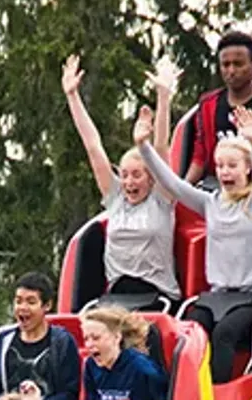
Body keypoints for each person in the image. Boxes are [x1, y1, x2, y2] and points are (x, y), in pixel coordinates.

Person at [138, 104, 252, 384]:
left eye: (232, 166)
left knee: (224, 333)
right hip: (218, 295)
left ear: (247, 168)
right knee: (188, 329)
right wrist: (143, 146)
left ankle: (217, 394)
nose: (225, 172)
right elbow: (173, 185)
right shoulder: (211, 203)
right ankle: (178, 392)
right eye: (220, 166)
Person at [61, 54, 182, 308]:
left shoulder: (161, 199)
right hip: (116, 295)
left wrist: (163, 97)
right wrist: (72, 96)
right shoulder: (116, 199)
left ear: (151, 178)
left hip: (155, 294)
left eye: (136, 175)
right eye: (124, 175)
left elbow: (161, 147)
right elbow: (93, 147)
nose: (128, 182)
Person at [184, 31, 252, 188]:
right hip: (217, 190)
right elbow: (199, 159)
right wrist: (182, 190)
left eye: (238, 64)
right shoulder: (208, 105)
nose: (231, 71)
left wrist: (248, 189)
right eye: (225, 65)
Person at [0, 271, 80, 400]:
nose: (23, 307)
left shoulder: (62, 341)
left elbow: (69, 397)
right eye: (18, 301)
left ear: (47, 305)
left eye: (31, 302)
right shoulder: (3, 341)